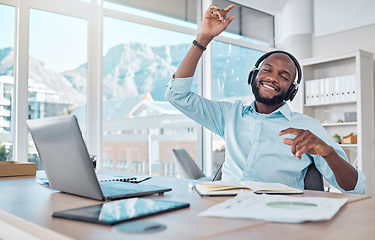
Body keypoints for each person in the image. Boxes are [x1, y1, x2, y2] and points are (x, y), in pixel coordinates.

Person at [165, 4, 366, 194]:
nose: (272, 77)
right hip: (224, 208)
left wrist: (328, 153)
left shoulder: (307, 127)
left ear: (291, 91)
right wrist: (203, 38)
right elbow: (177, 95)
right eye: (267, 70)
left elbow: (356, 189)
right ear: (254, 76)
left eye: (284, 76)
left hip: (277, 215)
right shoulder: (229, 115)